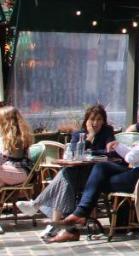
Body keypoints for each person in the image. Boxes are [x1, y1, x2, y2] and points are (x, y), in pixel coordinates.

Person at [62, 99, 139, 231]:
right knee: (100, 168)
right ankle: (80, 213)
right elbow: (133, 156)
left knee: (95, 182)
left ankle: (80, 213)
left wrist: (125, 149)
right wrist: (118, 146)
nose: (138, 116)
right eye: (138, 112)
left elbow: (131, 157)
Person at [20, 104, 115, 243]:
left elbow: (109, 152)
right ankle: (53, 224)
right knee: (66, 176)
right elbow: (75, 154)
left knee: (65, 175)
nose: (95, 123)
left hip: (95, 177)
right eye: (92, 119)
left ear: (103, 121)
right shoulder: (78, 134)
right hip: (78, 174)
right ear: (86, 120)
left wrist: (93, 149)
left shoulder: (107, 132)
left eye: (99, 119)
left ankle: (37, 206)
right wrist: (90, 137)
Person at [0, 105, 34, 187]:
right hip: (13, 172)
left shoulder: (16, 139)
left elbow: (2, 158)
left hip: (21, 172)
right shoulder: (9, 138)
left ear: (6, 123)